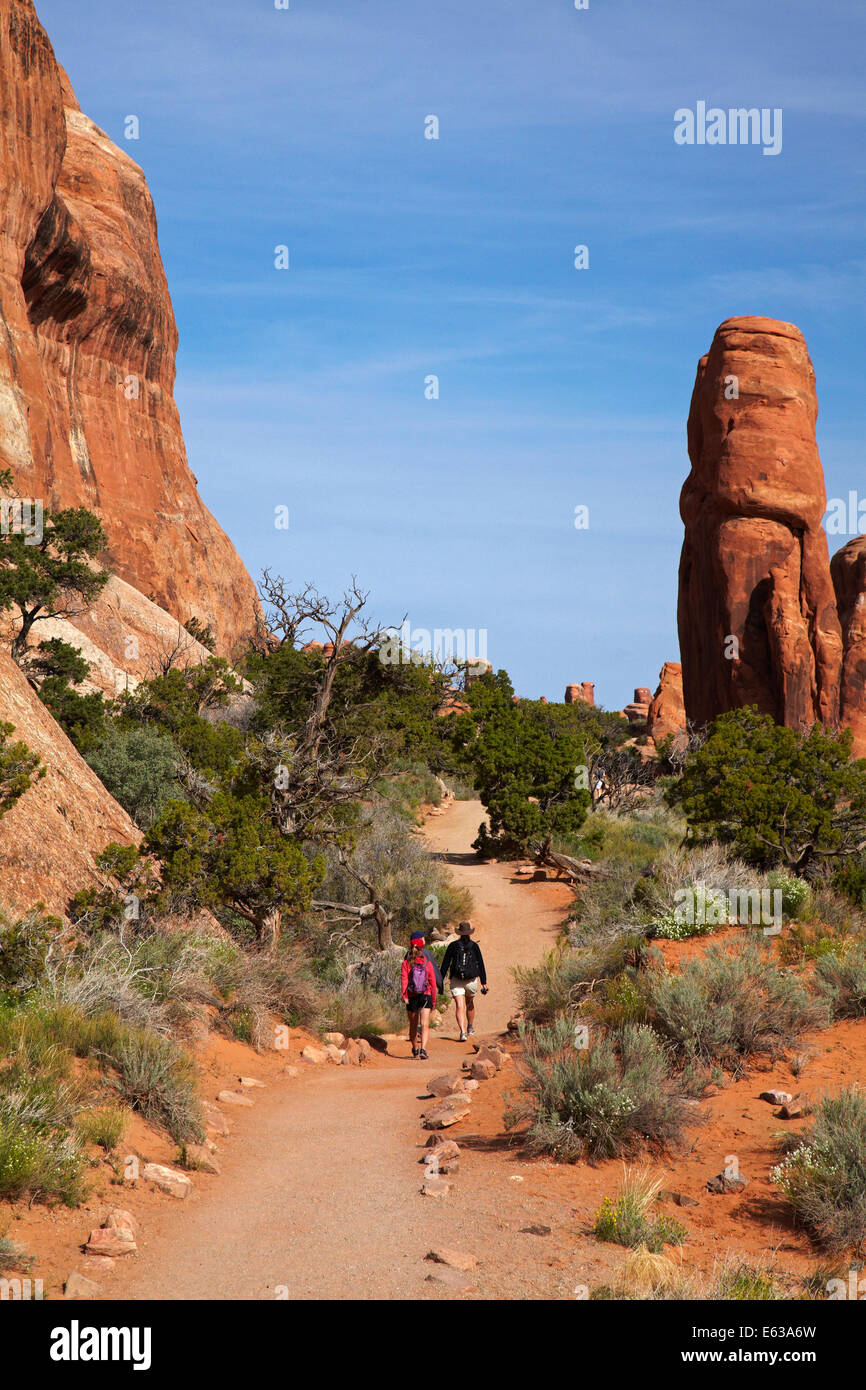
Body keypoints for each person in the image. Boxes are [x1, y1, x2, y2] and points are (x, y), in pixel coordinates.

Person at [440, 921, 487, 1042]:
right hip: (471, 980)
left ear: (459, 933)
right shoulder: (474, 946)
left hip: (456, 979)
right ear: (469, 933)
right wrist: (484, 982)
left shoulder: (453, 946)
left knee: (460, 1006)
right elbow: (480, 964)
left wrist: (440, 978)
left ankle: (463, 1032)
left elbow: (446, 963)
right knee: (469, 1004)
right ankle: (468, 1028)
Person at [401, 932, 437, 1059]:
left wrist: (404, 996)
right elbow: (433, 982)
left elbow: (404, 980)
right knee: (425, 1024)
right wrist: (433, 1000)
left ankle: (415, 1049)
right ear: (422, 948)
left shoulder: (406, 964)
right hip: (425, 994)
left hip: (411, 996)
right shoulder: (427, 963)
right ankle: (423, 1050)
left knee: (413, 1025)